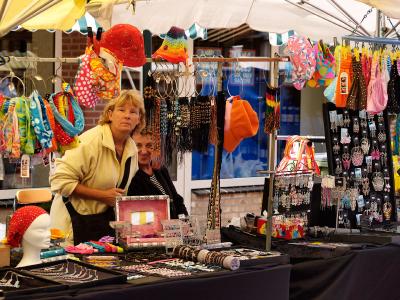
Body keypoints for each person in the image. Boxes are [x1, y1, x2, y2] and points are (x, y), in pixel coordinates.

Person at [50, 90, 145, 245]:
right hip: (70, 228)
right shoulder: (90, 141)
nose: (127, 115)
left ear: (138, 120)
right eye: (121, 110)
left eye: (133, 112)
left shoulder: (132, 149)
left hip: (102, 229)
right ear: (110, 114)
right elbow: (59, 181)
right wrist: (101, 195)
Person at [128, 130, 188, 219]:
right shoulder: (133, 178)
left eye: (149, 146)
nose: (144, 151)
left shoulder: (161, 170)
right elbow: (136, 215)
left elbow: (176, 199)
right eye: (138, 145)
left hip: (174, 228)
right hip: (152, 231)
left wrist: (184, 221)